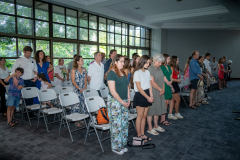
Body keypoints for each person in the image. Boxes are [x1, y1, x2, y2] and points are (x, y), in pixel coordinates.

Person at [106, 54, 130, 155]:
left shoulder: (122, 72)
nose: (123, 63)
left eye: (124, 61)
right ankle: (116, 147)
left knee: (124, 124)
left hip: (124, 100)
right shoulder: (111, 73)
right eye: (121, 61)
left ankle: (122, 144)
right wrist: (123, 102)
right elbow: (113, 91)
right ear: (115, 62)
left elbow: (127, 86)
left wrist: (128, 99)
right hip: (115, 102)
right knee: (117, 125)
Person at [133, 55, 153, 142]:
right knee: (140, 116)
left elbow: (150, 85)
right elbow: (139, 87)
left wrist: (151, 95)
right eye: (147, 62)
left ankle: (142, 133)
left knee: (144, 116)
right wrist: (148, 97)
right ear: (142, 62)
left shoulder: (147, 72)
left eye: (149, 63)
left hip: (147, 94)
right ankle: (139, 135)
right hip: (140, 95)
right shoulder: (137, 72)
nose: (148, 64)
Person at [147, 54, 167, 136]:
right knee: (151, 110)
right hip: (153, 91)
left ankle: (156, 125)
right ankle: (150, 128)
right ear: (154, 60)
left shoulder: (159, 68)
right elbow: (152, 82)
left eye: (161, 62)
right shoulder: (150, 69)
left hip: (160, 91)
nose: (160, 64)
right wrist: (160, 89)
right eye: (159, 62)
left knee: (158, 109)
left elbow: (162, 79)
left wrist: (163, 89)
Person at [71, 55, 88, 127]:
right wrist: (79, 89)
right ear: (77, 62)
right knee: (76, 105)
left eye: (82, 60)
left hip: (83, 90)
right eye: (81, 60)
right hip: (77, 90)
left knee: (83, 105)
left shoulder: (84, 69)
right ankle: (76, 120)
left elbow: (85, 79)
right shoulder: (73, 70)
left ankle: (82, 119)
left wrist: (85, 87)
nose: (83, 61)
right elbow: (73, 81)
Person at [161, 54, 174, 120]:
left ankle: (164, 118)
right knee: (164, 103)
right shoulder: (162, 67)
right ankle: (162, 118)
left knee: (167, 103)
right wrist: (169, 83)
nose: (169, 60)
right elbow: (163, 77)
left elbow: (171, 75)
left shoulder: (168, 66)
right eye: (168, 59)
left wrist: (171, 81)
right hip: (164, 85)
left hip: (168, 85)